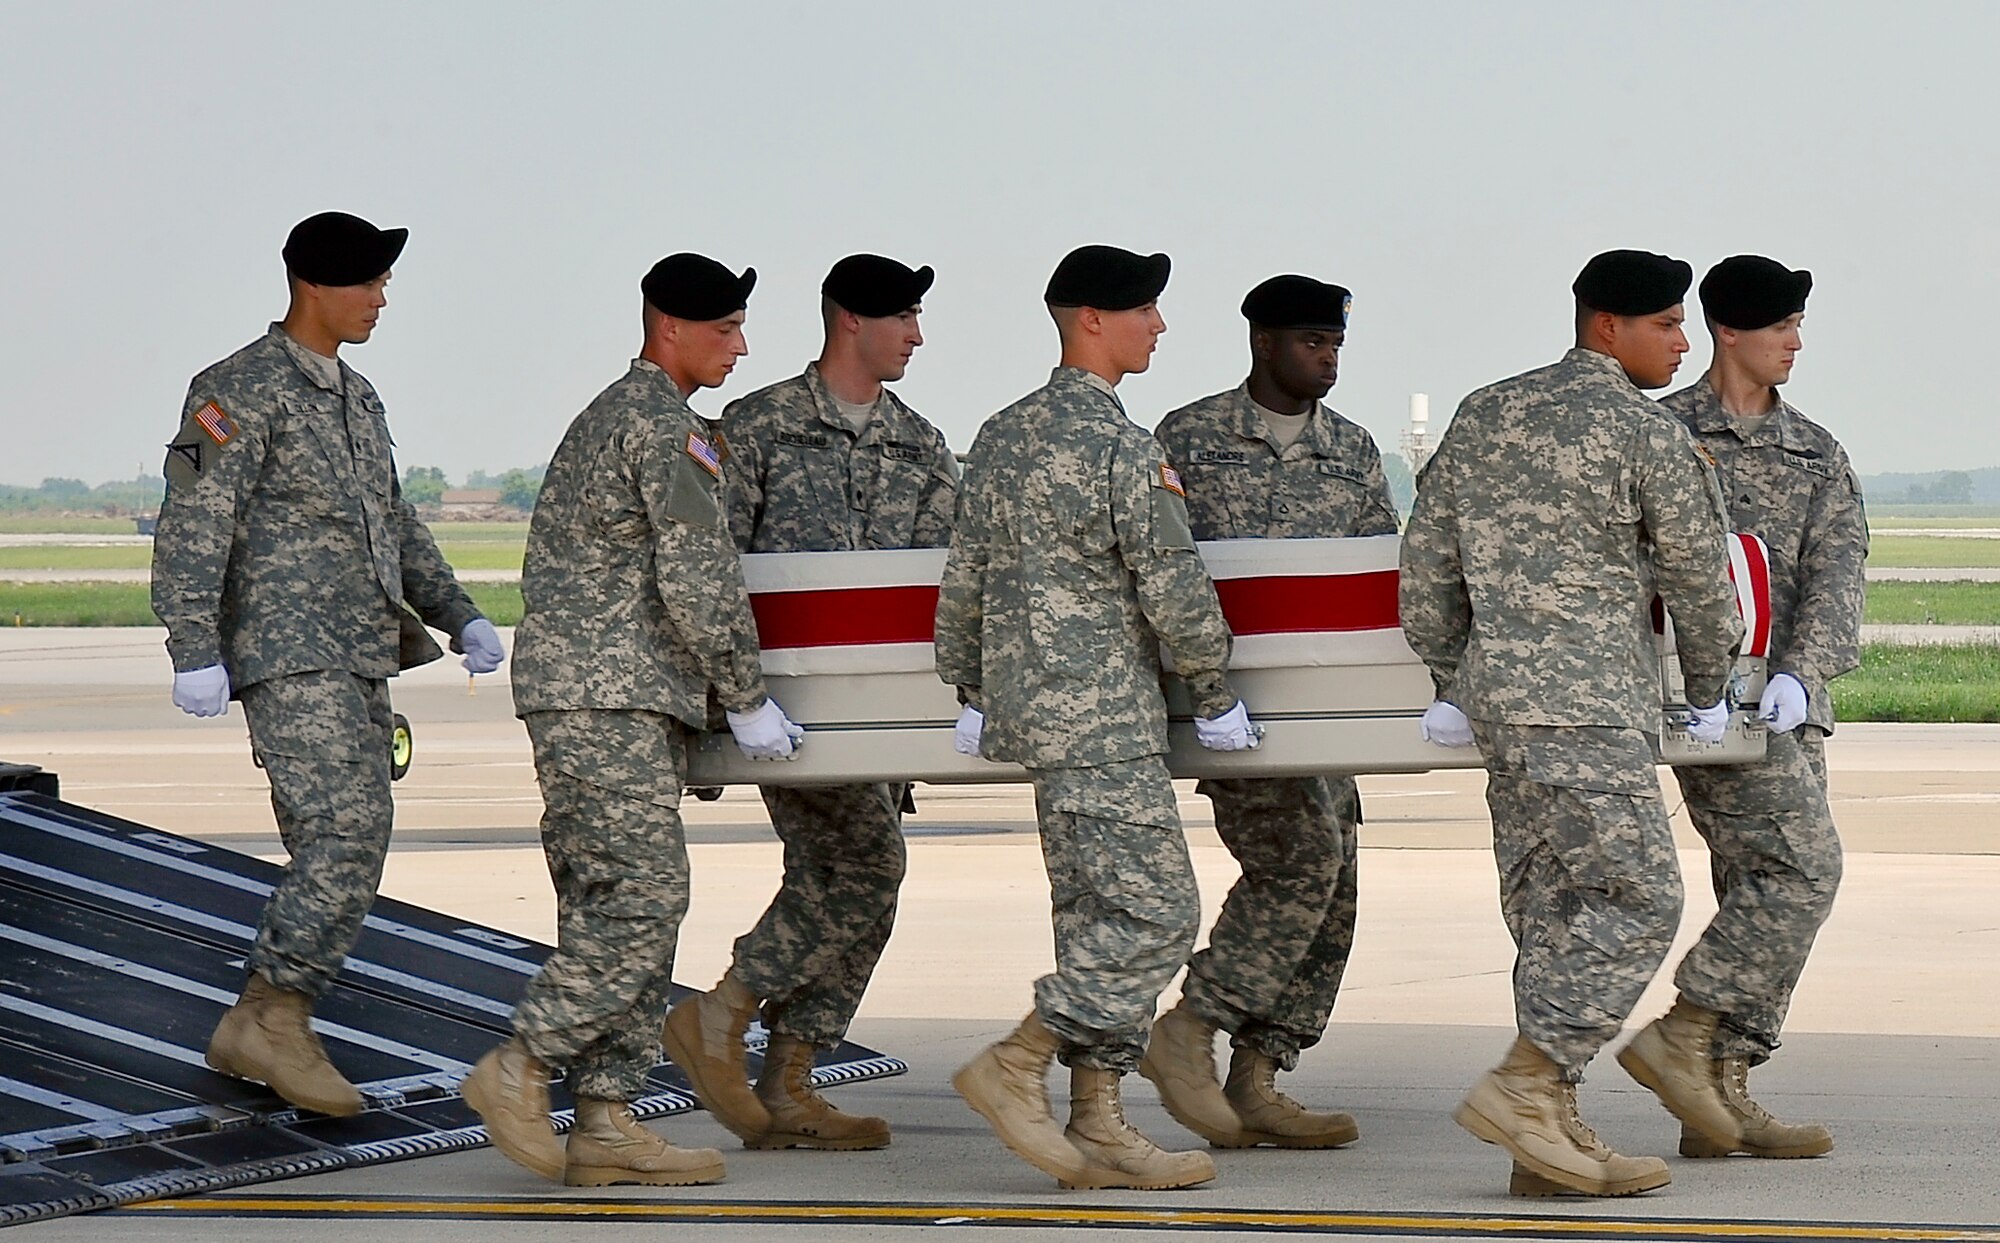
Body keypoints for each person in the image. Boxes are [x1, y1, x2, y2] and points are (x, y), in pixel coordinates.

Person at [1398, 249, 1744, 1198]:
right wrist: (1711, 688)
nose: (1684, 342)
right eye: (1668, 325)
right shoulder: (1642, 432)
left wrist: (1456, 673)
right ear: (1607, 328)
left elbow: (1425, 574)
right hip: (1590, 707)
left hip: (1500, 707)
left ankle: (1544, 1147)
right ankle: (1531, 1083)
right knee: (1638, 900)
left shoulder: (1484, 413)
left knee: (1551, 914)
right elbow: (1700, 583)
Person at [460, 253, 804, 1188]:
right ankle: (520, 1065)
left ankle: (606, 1117)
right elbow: (698, 572)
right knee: (646, 899)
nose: (740, 345)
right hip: (606, 696)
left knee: (612, 907)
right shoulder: (659, 427)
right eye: (725, 329)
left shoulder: (629, 416)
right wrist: (746, 694)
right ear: (669, 328)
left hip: (605, 695)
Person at [153, 211, 503, 1118]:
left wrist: (455, 611)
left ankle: (267, 1015)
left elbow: (394, 517)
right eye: (370, 283)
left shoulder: (358, 396)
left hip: (357, 654)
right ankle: (278, 1013)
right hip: (286, 650)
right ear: (317, 285)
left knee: (348, 835)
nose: (383, 299)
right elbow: (192, 523)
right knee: (346, 832)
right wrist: (193, 648)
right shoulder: (231, 392)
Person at [934, 244, 1260, 1192]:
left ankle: (1100, 1119)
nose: (1158, 326)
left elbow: (967, 578)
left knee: (1094, 918)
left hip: (1038, 720)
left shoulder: (1000, 435)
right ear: (1091, 320)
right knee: (1160, 912)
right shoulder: (1121, 444)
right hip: (1107, 721)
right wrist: (1213, 690)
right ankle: (1017, 1059)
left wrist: (970, 685)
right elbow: (1172, 582)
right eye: (1146, 310)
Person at [665, 254, 956, 1151]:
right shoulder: (754, 430)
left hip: (881, 719)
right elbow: (707, 565)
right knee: (866, 868)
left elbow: (947, 577)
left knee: (860, 878)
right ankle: (728, 1014)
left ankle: (788, 1074)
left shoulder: (922, 441)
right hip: (783, 713)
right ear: (847, 321)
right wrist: (726, 709)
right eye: (902, 316)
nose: (916, 334)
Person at [1143, 274, 1396, 1150]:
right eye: (1310, 342)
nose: (1326, 357)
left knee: (1336, 887)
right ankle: (1193, 1023)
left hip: (1329, 712)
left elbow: (1377, 577)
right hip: (1232, 706)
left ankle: (1258, 1074)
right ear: (1262, 343)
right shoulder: (1189, 436)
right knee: (1301, 860)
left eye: (1335, 343)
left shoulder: (1355, 449)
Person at [1640, 255, 1863, 1159]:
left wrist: (1801, 675)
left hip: (1783, 706)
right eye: (1782, 327)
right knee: (1798, 871)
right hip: (1693, 702)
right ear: (1730, 329)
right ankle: (1693, 1050)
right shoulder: (1658, 434)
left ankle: (1720, 1089)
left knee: (1760, 890)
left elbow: (1838, 576)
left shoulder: (1815, 451)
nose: (1796, 343)